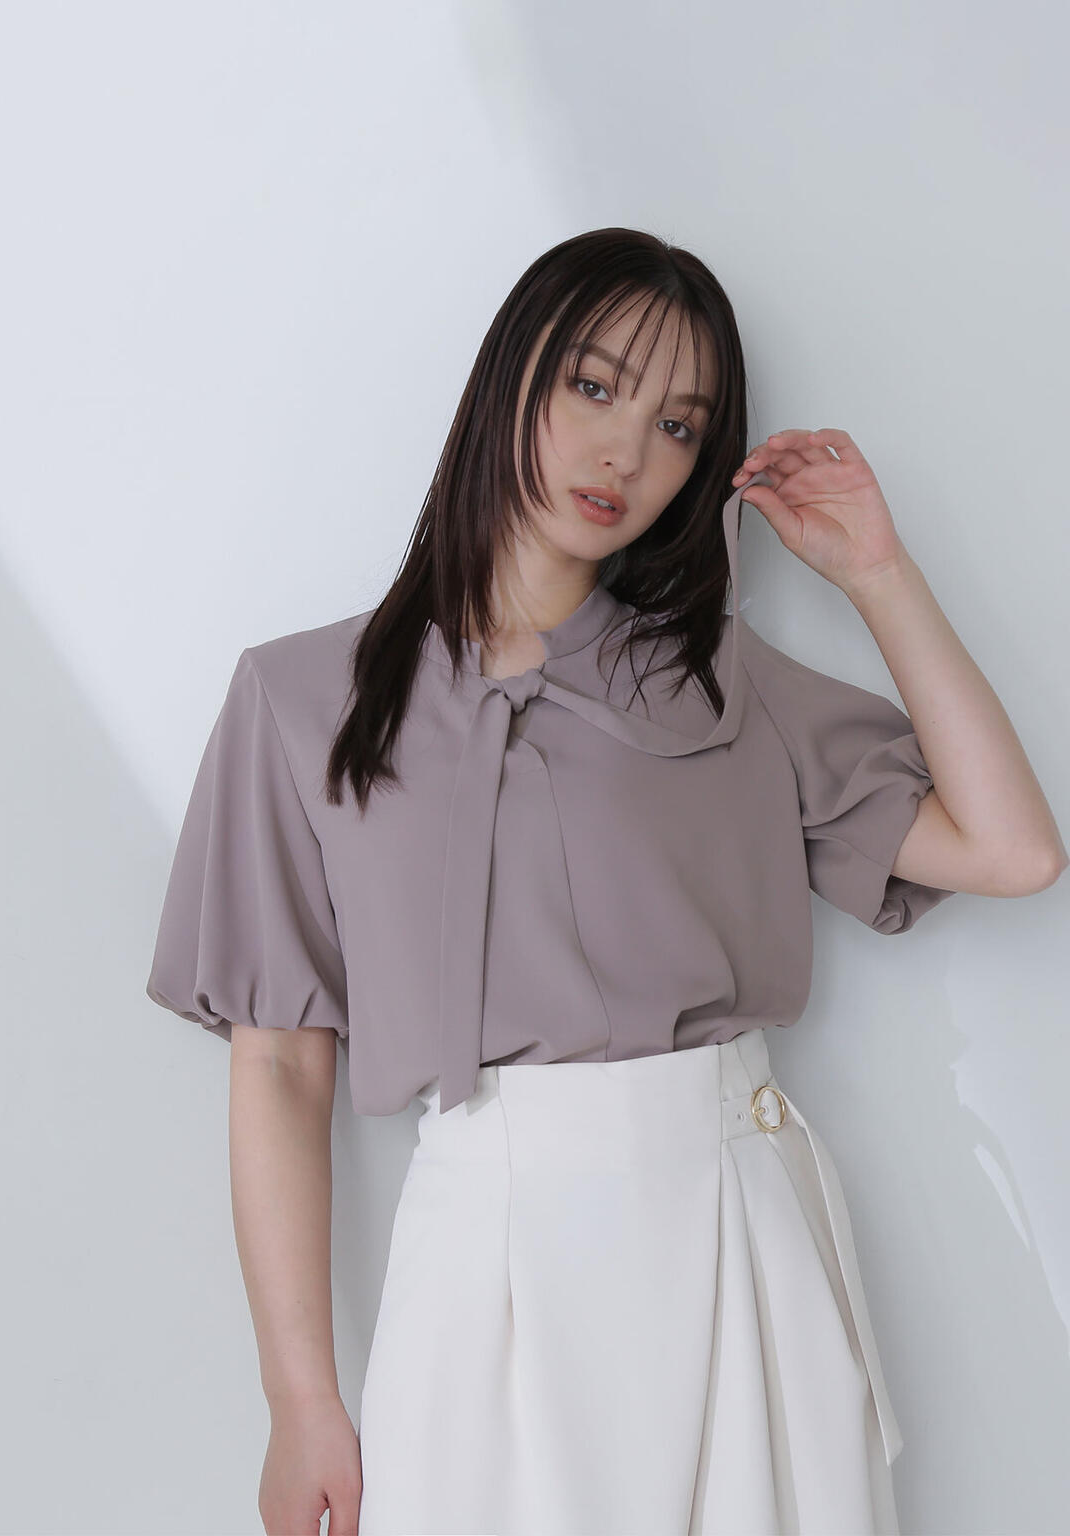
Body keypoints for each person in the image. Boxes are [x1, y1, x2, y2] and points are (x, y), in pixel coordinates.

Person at [145, 227, 1066, 1536]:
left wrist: (878, 574)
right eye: (594, 387)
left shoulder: (718, 680)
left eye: (677, 425)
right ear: (510, 376)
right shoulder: (301, 701)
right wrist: (301, 1402)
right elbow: (281, 1063)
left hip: (737, 1239)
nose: (626, 454)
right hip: (487, 1262)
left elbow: (1014, 850)